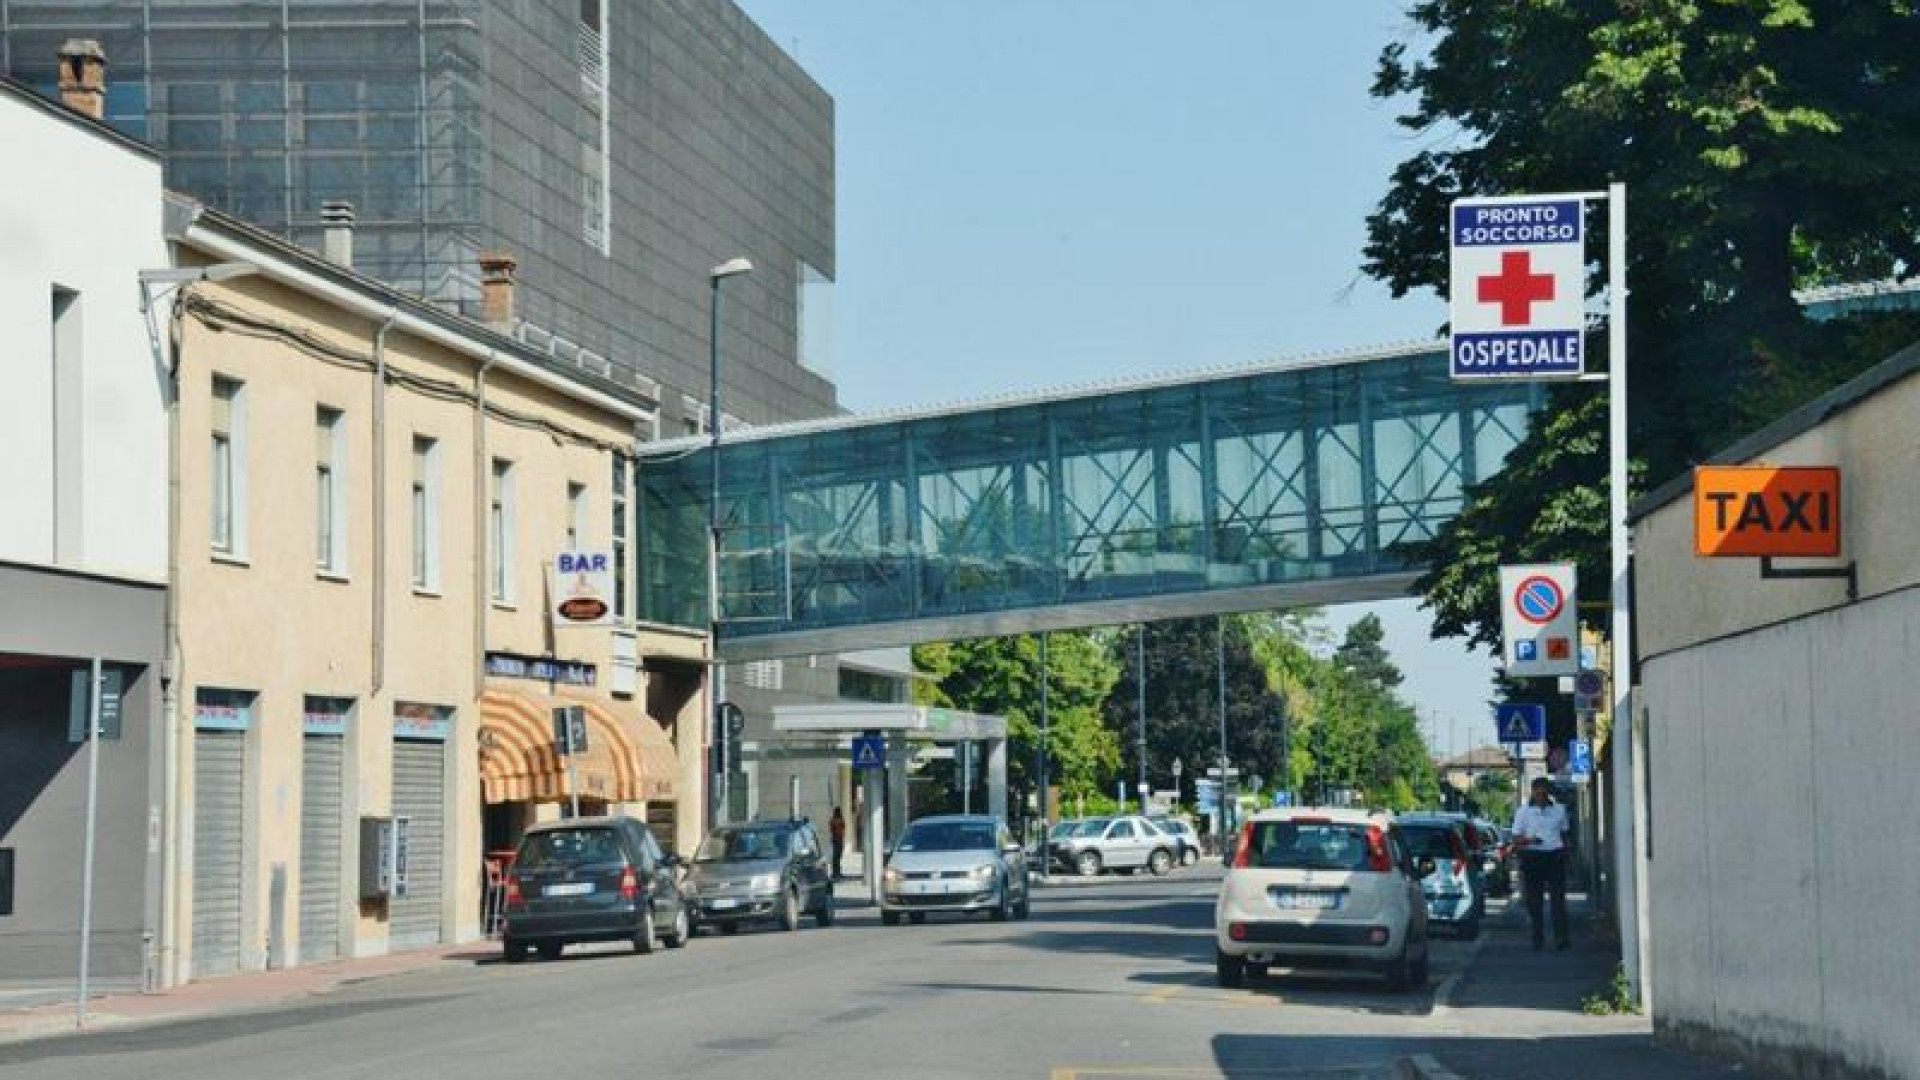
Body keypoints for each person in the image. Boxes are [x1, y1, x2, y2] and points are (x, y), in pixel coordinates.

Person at [1511, 777, 1572, 949]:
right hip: (1533, 857)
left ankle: (1561, 938)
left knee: (1558, 900)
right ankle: (1537, 937)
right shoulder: (1523, 812)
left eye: (1544, 793)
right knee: (1534, 902)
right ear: (1533, 792)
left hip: (1555, 857)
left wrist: (1566, 853)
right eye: (1538, 793)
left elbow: (1565, 834)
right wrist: (1530, 840)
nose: (1541, 797)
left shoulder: (1559, 810)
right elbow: (1516, 838)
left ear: (1548, 792)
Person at [828, 807, 846, 880]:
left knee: (836, 858)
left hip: (836, 839)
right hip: (838, 840)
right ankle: (836, 873)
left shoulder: (833, 820)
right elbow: (842, 827)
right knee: (837, 858)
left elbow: (831, 828)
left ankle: (836, 872)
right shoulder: (839, 820)